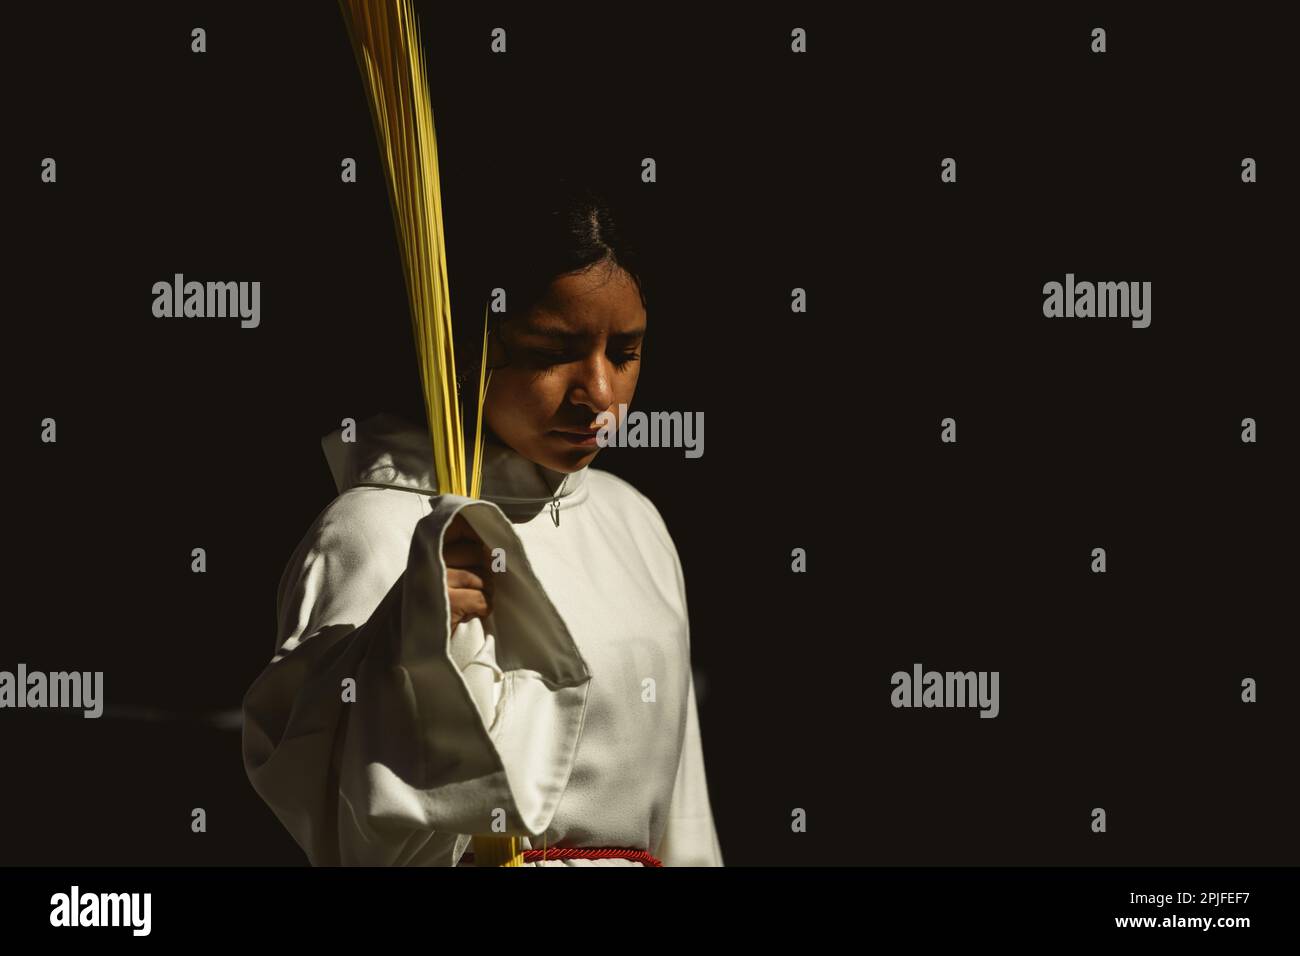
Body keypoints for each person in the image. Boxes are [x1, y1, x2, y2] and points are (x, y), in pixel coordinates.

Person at [240, 174, 724, 867]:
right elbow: (331, 821)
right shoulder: (375, 530)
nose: (600, 394)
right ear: (466, 339)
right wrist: (406, 650)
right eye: (550, 352)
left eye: (625, 353)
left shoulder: (634, 521)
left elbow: (685, 809)